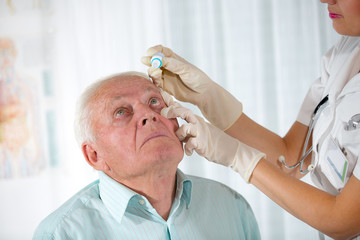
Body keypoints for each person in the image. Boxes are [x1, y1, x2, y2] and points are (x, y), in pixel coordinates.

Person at [141, 0, 360, 239]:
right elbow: (290, 159)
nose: (325, 0)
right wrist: (210, 98)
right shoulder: (347, 52)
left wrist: (237, 156)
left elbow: (343, 221)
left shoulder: (227, 210)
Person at [32, 72, 260, 239]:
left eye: (153, 102)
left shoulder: (233, 207)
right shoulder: (60, 234)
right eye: (121, 112)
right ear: (94, 155)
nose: (148, 115)